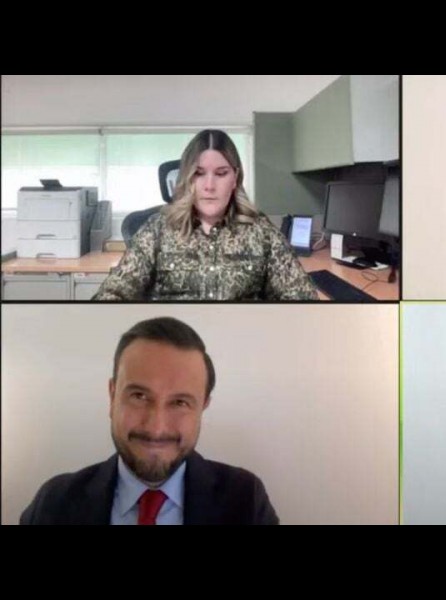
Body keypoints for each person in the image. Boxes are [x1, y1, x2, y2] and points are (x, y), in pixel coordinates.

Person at [20, 317, 279, 525]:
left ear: (203, 406)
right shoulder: (54, 502)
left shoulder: (246, 500)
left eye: (180, 402)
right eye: (139, 396)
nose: (156, 428)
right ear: (112, 396)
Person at [93, 129, 317, 301]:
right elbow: (113, 292)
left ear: (235, 178)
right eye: (199, 174)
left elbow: (302, 298)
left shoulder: (261, 230)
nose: (209, 186)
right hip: (175, 342)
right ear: (187, 178)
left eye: (221, 173)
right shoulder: (159, 228)